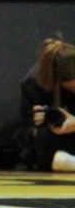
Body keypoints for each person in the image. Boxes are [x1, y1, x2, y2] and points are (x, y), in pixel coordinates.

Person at [18, 35, 75, 171]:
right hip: (56, 141)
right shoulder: (34, 84)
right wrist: (36, 127)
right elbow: (23, 132)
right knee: (42, 136)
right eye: (71, 87)